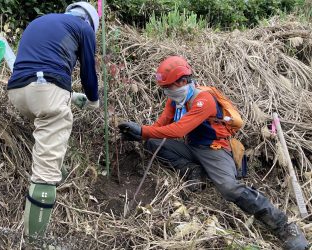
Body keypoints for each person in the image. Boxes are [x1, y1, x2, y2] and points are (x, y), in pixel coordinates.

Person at [118, 56, 309, 250]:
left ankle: (284, 226)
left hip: (215, 150)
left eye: (169, 87)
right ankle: (194, 171)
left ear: (183, 81)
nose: (166, 92)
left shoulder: (204, 100)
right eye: (164, 88)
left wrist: (142, 131)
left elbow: (178, 130)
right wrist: (140, 134)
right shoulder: (175, 100)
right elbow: (160, 126)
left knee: (229, 188)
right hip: (192, 148)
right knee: (152, 141)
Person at [7, 1, 100, 241]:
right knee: (46, 171)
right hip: (45, 89)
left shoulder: (41, 21)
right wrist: (92, 99)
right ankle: (35, 240)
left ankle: (56, 170)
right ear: (90, 21)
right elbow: (88, 71)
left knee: (48, 131)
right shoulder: (84, 27)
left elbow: (36, 67)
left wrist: (70, 96)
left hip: (18, 93)